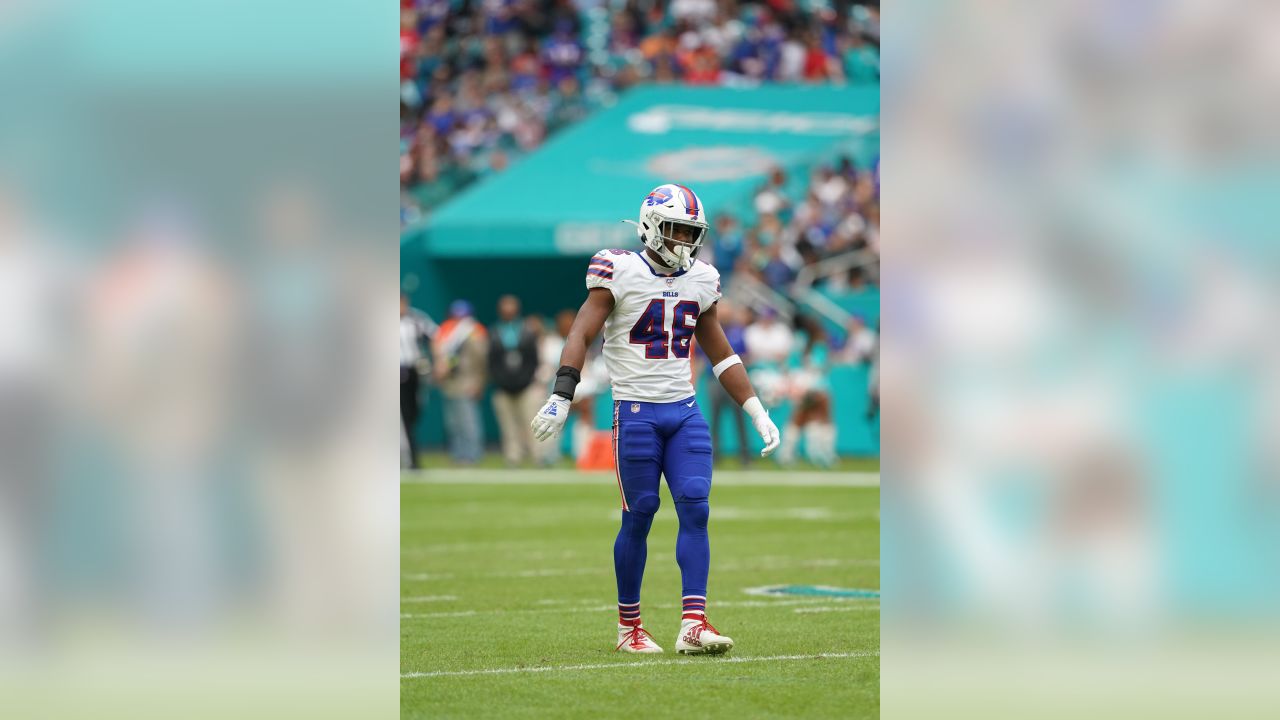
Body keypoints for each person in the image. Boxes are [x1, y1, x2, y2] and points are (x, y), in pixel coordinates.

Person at [529, 183, 781, 656]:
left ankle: (693, 623)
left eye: (691, 233)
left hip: (684, 412)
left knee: (696, 507)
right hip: (636, 413)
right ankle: (629, 628)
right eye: (676, 230)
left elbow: (721, 354)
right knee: (640, 515)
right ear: (650, 226)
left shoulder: (702, 278)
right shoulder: (618, 269)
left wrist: (756, 409)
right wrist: (563, 394)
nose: (684, 241)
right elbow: (581, 332)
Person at [487, 295, 540, 465]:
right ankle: (513, 457)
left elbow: (533, 360)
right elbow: (491, 361)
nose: (508, 312)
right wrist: (501, 381)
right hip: (503, 387)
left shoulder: (526, 330)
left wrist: (525, 380)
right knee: (508, 426)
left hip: (525, 385)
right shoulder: (495, 331)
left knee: (532, 422)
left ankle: (538, 456)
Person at [434, 299, 487, 464]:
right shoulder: (445, 329)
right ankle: (458, 454)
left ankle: (472, 454)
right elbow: (438, 353)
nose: (458, 319)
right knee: (452, 423)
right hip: (449, 382)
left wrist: (479, 382)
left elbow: (481, 360)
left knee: (468, 421)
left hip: (467, 381)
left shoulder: (475, 330)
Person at [400, 293, 437, 469]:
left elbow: (436, 337)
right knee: (403, 418)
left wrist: (436, 361)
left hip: (412, 372)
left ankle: (409, 456)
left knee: (413, 414)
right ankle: (410, 458)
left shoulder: (416, 318)